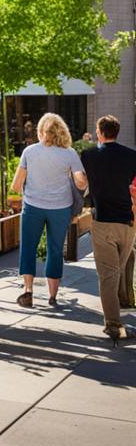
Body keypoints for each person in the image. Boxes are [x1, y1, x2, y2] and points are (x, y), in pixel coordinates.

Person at [11, 112, 87, 309]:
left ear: (40, 131)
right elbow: (81, 181)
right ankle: (53, 296)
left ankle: (28, 292)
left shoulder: (29, 152)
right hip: (59, 209)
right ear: (60, 131)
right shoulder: (69, 153)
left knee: (28, 247)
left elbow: (16, 185)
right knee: (55, 250)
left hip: (33, 207)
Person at [78, 115, 136, 341]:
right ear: (117, 132)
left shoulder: (89, 155)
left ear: (100, 132)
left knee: (108, 276)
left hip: (102, 221)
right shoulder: (132, 156)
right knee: (116, 272)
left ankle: (113, 325)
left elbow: (81, 182)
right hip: (127, 223)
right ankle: (118, 317)